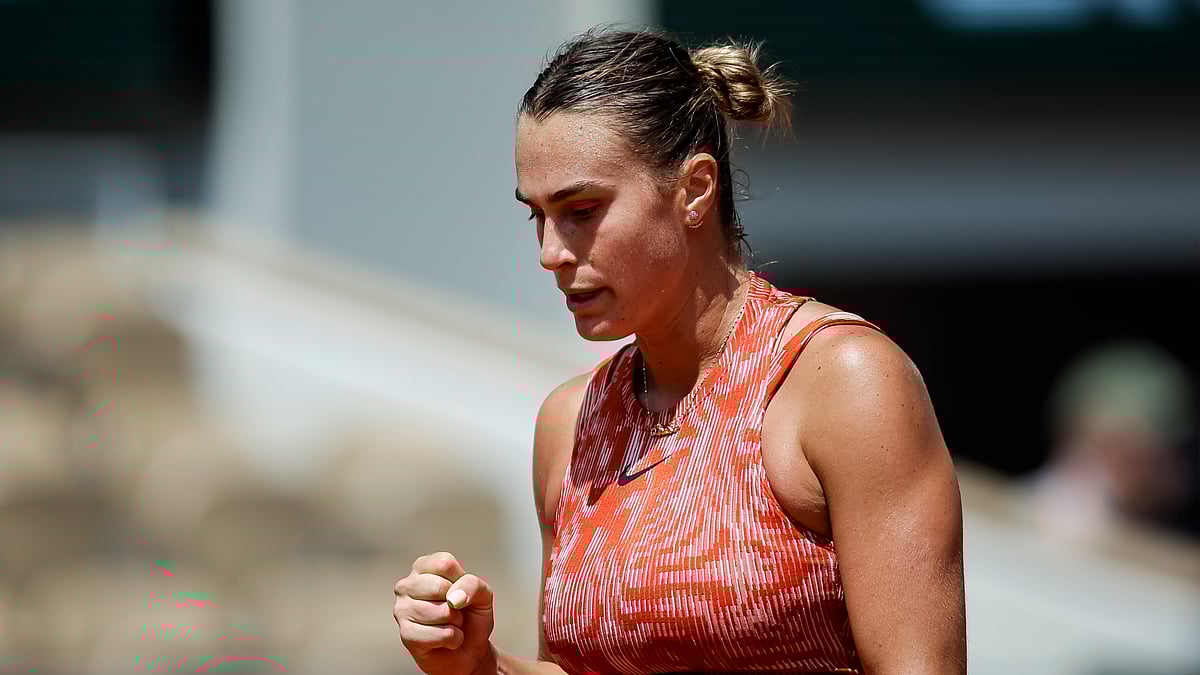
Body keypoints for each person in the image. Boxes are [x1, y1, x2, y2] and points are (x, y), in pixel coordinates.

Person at [394, 25, 966, 675]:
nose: (551, 253)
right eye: (537, 215)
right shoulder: (568, 422)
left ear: (694, 189)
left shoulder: (847, 381)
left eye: (582, 210)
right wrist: (477, 664)